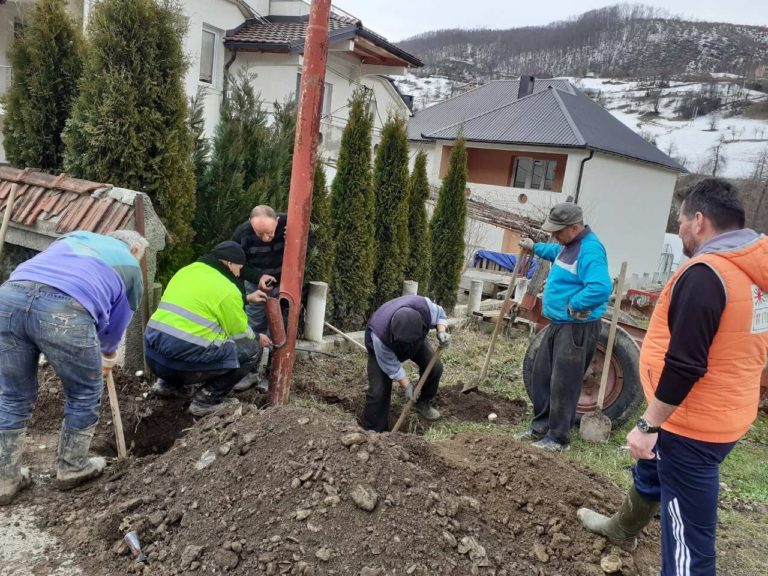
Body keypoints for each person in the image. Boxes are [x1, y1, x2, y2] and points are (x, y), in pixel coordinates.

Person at [577, 178, 768, 575]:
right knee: (651, 466)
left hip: (694, 426)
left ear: (699, 221)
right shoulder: (753, 273)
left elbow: (685, 364)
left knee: (688, 541)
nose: (679, 228)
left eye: (680, 220)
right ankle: (622, 528)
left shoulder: (707, 275)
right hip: (727, 409)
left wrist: (649, 423)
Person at [0, 230, 147, 504]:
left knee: (13, 395)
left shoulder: (76, 237)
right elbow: (114, 330)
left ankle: (4, 479)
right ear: (135, 251)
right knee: (85, 392)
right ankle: (72, 467)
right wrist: (106, 358)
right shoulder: (130, 265)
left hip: (9, 296)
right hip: (66, 308)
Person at [516, 202, 612, 451]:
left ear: (575, 227)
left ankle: (558, 438)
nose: (554, 235)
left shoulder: (590, 250)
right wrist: (534, 247)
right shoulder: (568, 246)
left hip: (576, 327)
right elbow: (555, 254)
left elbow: (601, 287)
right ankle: (540, 427)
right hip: (559, 324)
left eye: (558, 231)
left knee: (563, 382)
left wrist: (576, 303)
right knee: (542, 375)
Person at [144, 241, 271, 416]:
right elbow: (239, 332)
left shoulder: (187, 271)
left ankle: (166, 385)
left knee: (182, 337)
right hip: (180, 363)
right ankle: (206, 401)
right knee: (251, 349)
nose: (239, 273)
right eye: (239, 268)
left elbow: (205, 302)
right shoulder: (228, 288)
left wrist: (247, 298)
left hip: (153, 357)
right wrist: (257, 338)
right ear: (229, 263)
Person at [363, 295, 451, 432]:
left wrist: (442, 332)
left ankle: (423, 403)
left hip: (416, 342)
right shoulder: (380, 336)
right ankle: (374, 431)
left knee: (435, 367)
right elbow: (392, 367)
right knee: (379, 391)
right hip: (384, 349)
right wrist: (407, 386)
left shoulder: (424, 307)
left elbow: (440, 314)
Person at [231, 205, 287, 392]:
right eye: (259, 234)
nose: (265, 239)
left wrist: (299, 238)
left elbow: (309, 244)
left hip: (284, 286)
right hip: (255, 285)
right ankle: (250, 373)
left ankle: (273, 375)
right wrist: (257, 278)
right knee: (253, 327)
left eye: (269, 233)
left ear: (277, 222)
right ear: (250, 224)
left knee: (279, 330)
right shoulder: (242, 233)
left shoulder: (289, 224)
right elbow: (236, 264)